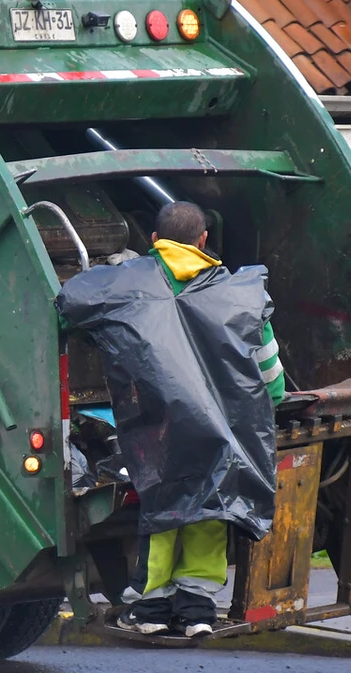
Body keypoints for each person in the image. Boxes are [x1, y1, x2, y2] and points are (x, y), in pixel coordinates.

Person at [55, 201, 284, 637]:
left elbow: (68, 305)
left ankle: (151, 608)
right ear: (203, 241)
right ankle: (198, 609)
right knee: (213, 502)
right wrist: (273, 401)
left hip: (157, 429)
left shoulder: (125, 283)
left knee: (164, 506)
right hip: (221, 429)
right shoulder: (239, 291)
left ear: (154, 240)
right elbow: (270, 374)